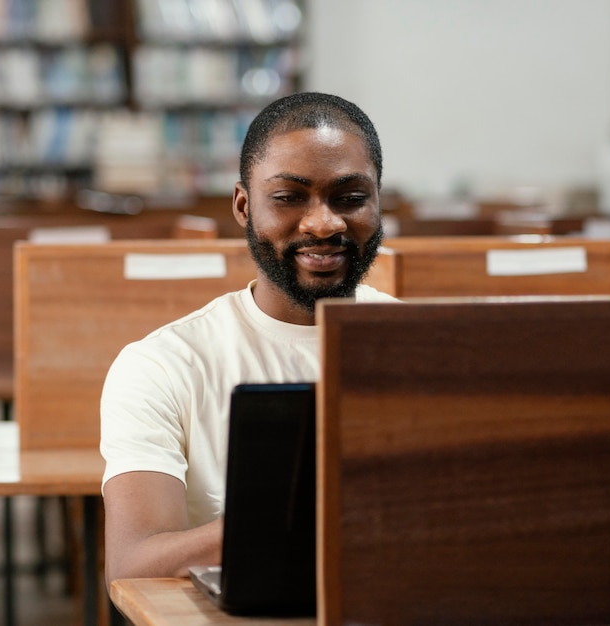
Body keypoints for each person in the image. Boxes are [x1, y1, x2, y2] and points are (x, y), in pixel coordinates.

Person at [100, 91, 398, 584]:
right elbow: (132, 567)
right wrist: (307, 517)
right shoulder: (161, 366)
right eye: (288, 197)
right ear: (243, 206)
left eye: (350, 198)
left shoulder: (428, 349)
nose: (324, 222)